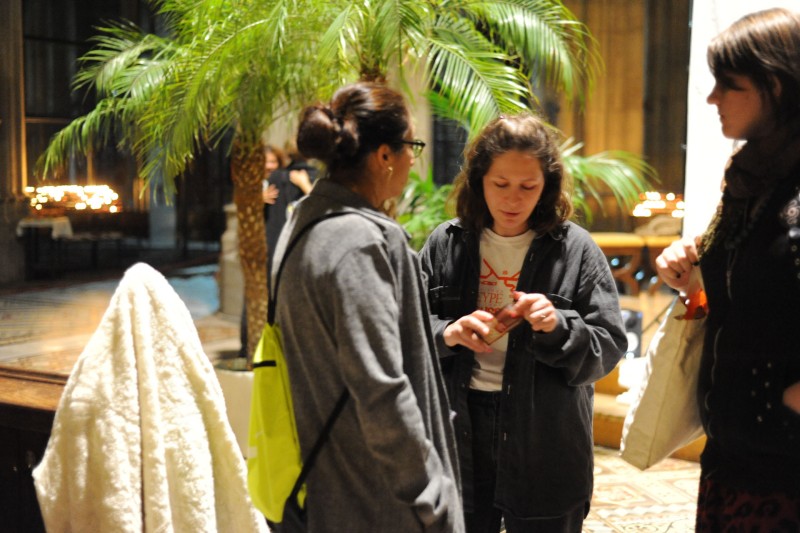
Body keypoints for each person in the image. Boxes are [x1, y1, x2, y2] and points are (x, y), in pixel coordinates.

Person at [419, 113, 627, 533]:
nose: (512, 199)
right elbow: (406, 333)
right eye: (500, 184)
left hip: (545, 433)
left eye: (528, 187)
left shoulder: (575, 250)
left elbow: (607, 349)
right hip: (460, 427)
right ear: (479, 180)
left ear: (546, 186)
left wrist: (559, 327)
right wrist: (448, 332)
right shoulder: (445, 243)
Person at [271, 82, 464, 532]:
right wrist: (431, 495)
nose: (413, 160)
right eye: (411, 146)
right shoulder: (360, 242)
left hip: (327, 486)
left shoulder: (304, 222)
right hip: (378, 501)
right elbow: (381, 387)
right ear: (384, 155)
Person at [654, 8, 800, 530]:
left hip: (786, 469)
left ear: (775, 87)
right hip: (729, 453)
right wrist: (689, 268)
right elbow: (748, 283)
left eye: (728, 84)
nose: (712, 98)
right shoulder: (747, 178)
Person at [263, 144, 317, 272]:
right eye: (265, 162)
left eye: (273, 162)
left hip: (276, 248)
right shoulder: (316, 177)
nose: (268, 166)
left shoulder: (275, 179)